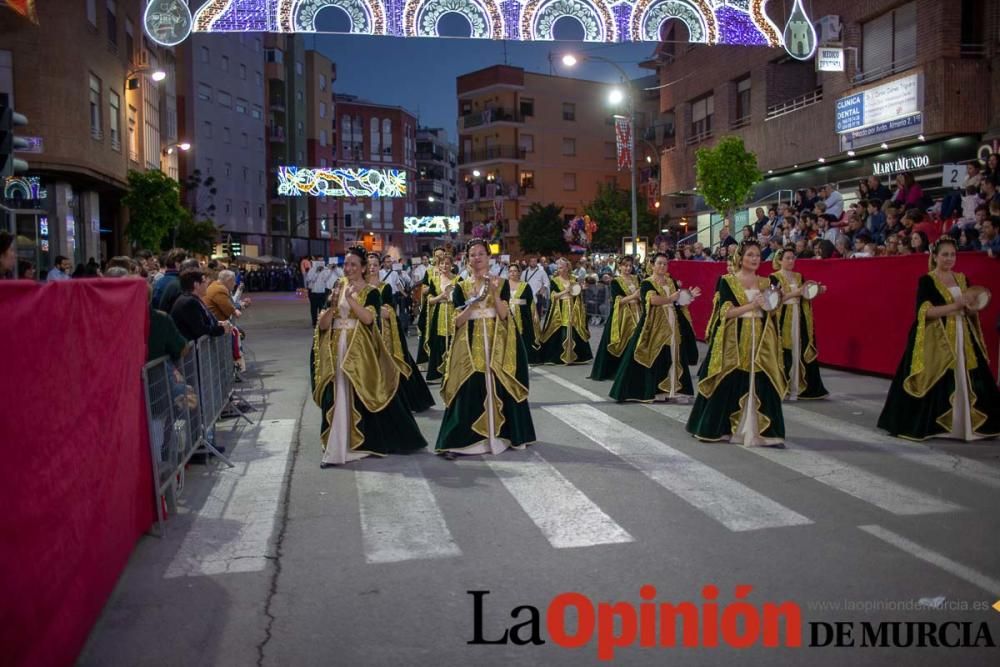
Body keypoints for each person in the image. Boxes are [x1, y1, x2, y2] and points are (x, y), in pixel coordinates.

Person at [313, 246, 428, 466]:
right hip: (336, 347)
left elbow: (368, 319)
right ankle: (336, 446)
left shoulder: (371, 292)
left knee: (357, 393)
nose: (348, 269)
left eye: (354, 264)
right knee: (337, 393)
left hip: (358, 350)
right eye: (346, 264)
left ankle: (358, 441)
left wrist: (352, 301)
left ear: (364, 268)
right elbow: (324, 324)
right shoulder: (337, 286)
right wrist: (331, 306)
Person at [877, 239, 1000, 441]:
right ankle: (939, 426)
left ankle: (966, 425)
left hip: (963, 335)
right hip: (937, 339)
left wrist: (973, 307)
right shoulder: (927, 280)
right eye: (945, 255)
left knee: (969, 376)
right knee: (937, 377)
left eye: (952, 255)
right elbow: (924, 312)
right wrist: (955, 306)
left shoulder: (962, 279)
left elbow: (970, 311)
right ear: (935, 257)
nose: (949, 259)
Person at [436, 239, 535, 457]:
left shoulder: (501, 282)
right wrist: (472, 303)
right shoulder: (461, 286)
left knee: (499, 384)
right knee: (468, 387)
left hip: (496, 342)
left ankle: (503, 435)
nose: (477, 258)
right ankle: (461, 440)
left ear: (489, 257)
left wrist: (495, 293)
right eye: (472, 254)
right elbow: (458, 321)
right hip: (470, 345)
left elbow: (503, 314)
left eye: (481, 253)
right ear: (467, 259)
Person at [686, 240, 787, 447]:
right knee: (729, 379)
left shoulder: (767, 282)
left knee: (761, 380)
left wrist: (774, 303)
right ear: (740, 258)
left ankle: (760, 432)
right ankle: (723, 428)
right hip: (735, 340)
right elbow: (726, 312)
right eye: (750, 255)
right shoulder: (728, 281)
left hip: (760, 339)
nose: (754, 259)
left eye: (758, 255)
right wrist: (752, 305)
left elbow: (771, 312)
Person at [609, 252, 700, 402]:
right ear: (652, 265)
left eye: (665, 264)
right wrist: (670, 298)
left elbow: (678, 301)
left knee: (673, 353)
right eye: (659, 263)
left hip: (672, 320)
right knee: (654, 354)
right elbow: (652, 300)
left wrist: (689, 296)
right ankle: (655, 390)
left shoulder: (671, 281)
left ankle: (673, 389)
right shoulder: (647, 283)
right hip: (654, 324)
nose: (662, 266)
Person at [365, 252, 434, 412]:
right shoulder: (361, 286)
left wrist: (370, 309)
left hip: (384, 332)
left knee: (394, 364)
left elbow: (389, 311)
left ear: (379, 266)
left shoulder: (385, 286)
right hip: (365, 331)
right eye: (369, 265)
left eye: (375, 265)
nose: (372, 268)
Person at [771, 247, 829, 400]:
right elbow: (774, 300)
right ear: (780, 260)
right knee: (785, 350)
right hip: (782, 318)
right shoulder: (774, 277)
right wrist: (797, 292)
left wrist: (817, 290)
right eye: (788, 258)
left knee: (799, 348)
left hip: (799, 316)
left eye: (793, 258)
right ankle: (784, 385)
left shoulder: (799, 276)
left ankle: (798, 386)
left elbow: (806, 295)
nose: (791, 261)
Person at [589, 256, 642, 381]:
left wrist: (640, 297)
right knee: (625, 341)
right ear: (620, 267)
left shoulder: (636, 279)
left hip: (638, 312)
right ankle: (621, 370)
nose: (628, 268)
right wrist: (633, 296)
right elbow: (618, 300)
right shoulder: (616, 281)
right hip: (623, 315)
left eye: (630, 266)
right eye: (625, 266)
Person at [538, 258, 592, 365]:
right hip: (560, 309)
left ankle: (574, 356)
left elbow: (577, 294)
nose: (559, 269)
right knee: (560, 331)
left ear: (567, 268)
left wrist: (579, 290)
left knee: (574, 330)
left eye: (561, 267)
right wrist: (566, 291)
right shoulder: (555, 280)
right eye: (558, 267)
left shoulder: (573, 279)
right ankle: (557, 356)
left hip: (572, 308)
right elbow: (554, 296)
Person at [170, 270, 234, 341]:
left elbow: (206, 319)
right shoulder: (189, 302)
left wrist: (219, 323)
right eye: (204, 281)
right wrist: (222, 329)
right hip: (191, 348)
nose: (207, 283)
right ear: (196, 285)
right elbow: (200, 329)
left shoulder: (194, 298)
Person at [424, 251, 458, 383]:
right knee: (439, 341)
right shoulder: (435, 280)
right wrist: (441, 297)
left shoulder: (458, 279)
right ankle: (439, 373)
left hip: (453, 312)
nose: (444, 266)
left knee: (454, 340)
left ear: (452, 265)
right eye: (442, 263)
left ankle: (454, 371)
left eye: (447, 263)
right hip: (439, 313)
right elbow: (430, 300)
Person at [506, 263, 542, 364]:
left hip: (523, 315)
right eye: (510, 271)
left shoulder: (525, 286)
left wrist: (535, 314)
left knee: (523, 336)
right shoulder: (504, 285)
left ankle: (524, 357)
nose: (512, 273)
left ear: (519, 273)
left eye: (515, 271)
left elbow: (531, 301)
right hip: (508, 314)